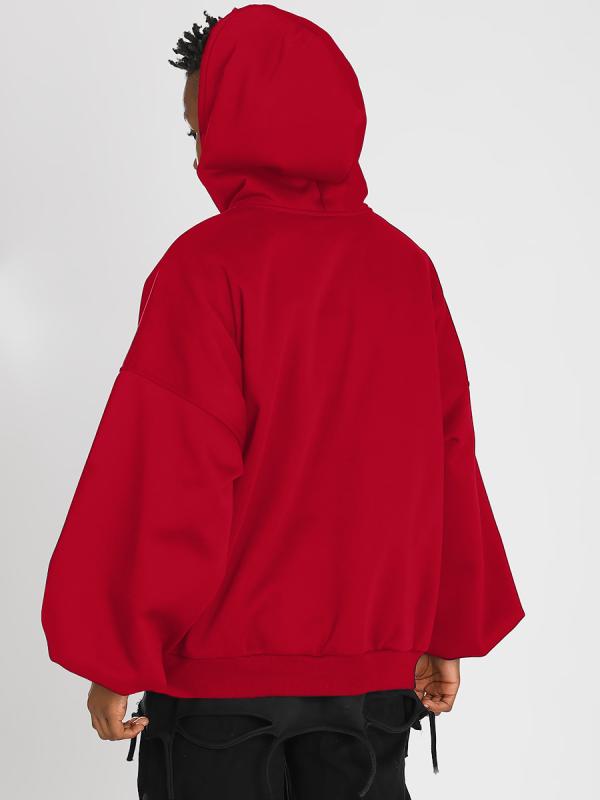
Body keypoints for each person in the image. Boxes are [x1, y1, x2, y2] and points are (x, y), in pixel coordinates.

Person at [40, 5, 525, 799]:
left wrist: (115, 654)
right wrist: (446, 628)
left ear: (241, 126)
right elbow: (447, 465)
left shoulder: (206, 269)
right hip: (373, 689)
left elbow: (167, 475)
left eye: (201, 131)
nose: (198, 156)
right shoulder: (407, 271)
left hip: (221, 700)